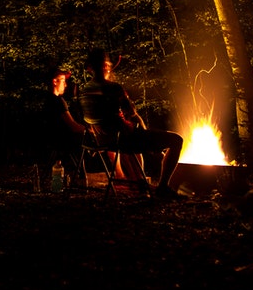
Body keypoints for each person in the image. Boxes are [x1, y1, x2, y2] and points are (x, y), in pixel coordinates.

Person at [78, 48, 185, 200]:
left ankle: (141, 183)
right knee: (176, 140)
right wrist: (142, 129)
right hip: (124, 140)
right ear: (106, 66)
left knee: (136, 132)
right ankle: (163, 187)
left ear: (90, 68)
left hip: (102, 141)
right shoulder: (114, 88)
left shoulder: (84, 91)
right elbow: (132, 113)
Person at [41, 67, 86, 189]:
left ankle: (81, 176)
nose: (65, 85)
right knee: (88, 140)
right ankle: (83, 178)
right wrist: (87, 130)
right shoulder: (58, 102)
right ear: (54, 81)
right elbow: (73, 125)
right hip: (63, 141)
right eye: (62, 80)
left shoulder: (46, 100)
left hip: (51, 139)